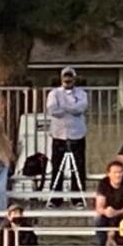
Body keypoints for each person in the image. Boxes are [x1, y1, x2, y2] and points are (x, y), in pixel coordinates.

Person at [46, 68, 89, 203]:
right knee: (57, 166)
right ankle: (55, 198)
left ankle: (77, 198)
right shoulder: (54, 93)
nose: (68, 80)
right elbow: (53, 110)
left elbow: (80, 109)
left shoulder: (82, 93)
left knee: (78, 167)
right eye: (65, 77)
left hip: (77, 134)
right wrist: (71, 107)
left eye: (70, 77)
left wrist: (64, 106)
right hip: (59, 135)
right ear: (61, 78)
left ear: (74, 79)